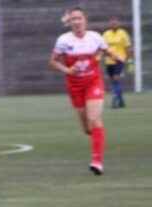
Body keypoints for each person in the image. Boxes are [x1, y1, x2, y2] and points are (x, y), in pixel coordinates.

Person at [49, 7, 122, 176]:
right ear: (70, 22)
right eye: (73, 19)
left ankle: (97, 162)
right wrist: (67, 70)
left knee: (94, 119)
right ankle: (96, 139)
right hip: (75, 86)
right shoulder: (63, 41)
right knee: (87, 129)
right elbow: (52, 62)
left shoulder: (95, 37)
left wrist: (117, 56)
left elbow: (106, 50)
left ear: (85, 20)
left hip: (93, 83)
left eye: (79, 18)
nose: (76, 21)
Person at [102, 17, 132, 108]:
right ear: (110, 24)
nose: (114, 24)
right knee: (114, 81)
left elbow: (128, 48)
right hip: (109, 61)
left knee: (116, 79)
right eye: (112, 23)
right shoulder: (106, 34)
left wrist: (129, 61)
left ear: (118, 24)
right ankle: (121, 100)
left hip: (119, 60)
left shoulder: (123, 33)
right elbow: (103, 47)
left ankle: (115, 99)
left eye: (115, 23)